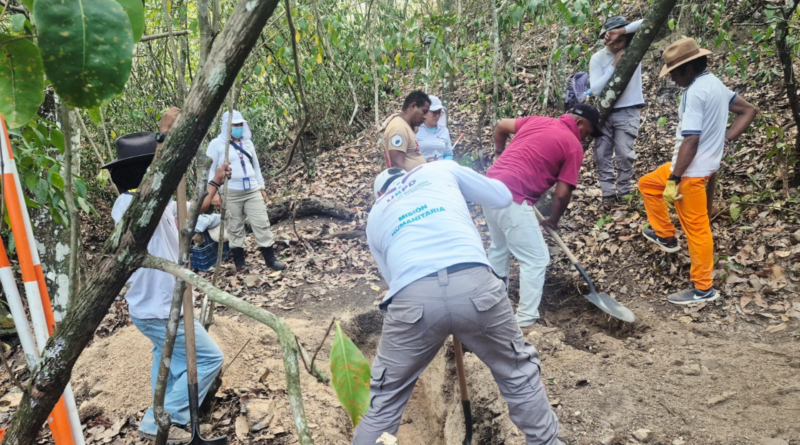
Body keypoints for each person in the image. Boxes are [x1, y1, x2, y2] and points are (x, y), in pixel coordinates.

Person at [355, 161, 563, 445]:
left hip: (414, 300)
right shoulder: (438, 169)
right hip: (476, 287)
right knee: (517, 371)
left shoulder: (376, 214)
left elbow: (394, 280)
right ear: (407, 176)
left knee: (385, 397)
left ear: (381, 194)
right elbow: (502, 196)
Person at [102, 107, 231, 444]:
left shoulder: (159, 205)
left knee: (167, 360)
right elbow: (151, 197)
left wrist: (215, 181)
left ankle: (164, 419)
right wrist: (164, 139)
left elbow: (194, 208)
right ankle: (156, 421)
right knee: (210, 359)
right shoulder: (128, 206)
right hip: (157, 308)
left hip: (160, 305)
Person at [639, 38, 756, 305]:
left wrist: (675, 179)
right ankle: (666, 235)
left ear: (689, 68)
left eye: (675, 73)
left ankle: (704, 288)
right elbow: (748, 110)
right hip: (700, 164)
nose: (673, 79)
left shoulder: (694, 93)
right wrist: (724, 140)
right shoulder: (715, 84)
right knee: (647, 184)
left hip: (690, 171)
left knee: (697, 230)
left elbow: (691, 139)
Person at [484, 104, 602, 330]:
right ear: (578, 123)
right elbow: (562, 193)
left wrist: (499, 155)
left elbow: (500, 126)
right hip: (512, 197)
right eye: (589, 131)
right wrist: (554, 220)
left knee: (500, 248)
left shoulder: (537, 121)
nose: (587, 137)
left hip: (489, 187)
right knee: (536, 258)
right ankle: (525, 320)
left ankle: (492, 304)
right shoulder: (573, 145)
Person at [206, 110, 285, 272]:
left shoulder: (247, 143)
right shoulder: (217, 144)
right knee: (234, 226)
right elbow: (210, 169)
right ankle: (240, 263)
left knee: (261, 223)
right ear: (226, 126)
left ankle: (270, 260)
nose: (238, 128)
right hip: (231, 192)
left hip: (251, 189)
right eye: (235, 125)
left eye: (240, 124)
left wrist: (261, 187)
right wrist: (214, 194)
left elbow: (255, 167)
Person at [590, 16, 646, 206]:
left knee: (624, 153)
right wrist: (615, 64)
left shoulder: (635, 51)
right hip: (604, 111)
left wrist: (622, 31)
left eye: (620, 40)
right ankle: (607, 194)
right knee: (601, 153)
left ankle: (624, 193)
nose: (615, 45)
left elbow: (650, 22)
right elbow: (596, 89)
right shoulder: (598, 57)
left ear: (627, 37)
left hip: (628, 110)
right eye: (611, 41)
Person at [380, 91, 430, 170]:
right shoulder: (399, 128)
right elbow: (397, 165)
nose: (425, 117)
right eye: (424, 112)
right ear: (413, 106)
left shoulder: (405, 126)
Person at [415, 95, 453, 161]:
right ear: (425, 112)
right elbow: (410, 155)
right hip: (421, 167)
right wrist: (424, 160)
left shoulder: (444, 131)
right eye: (434, 112)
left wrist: (442, 163)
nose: (437, 116)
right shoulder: (416, 130)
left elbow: (448, 154)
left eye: (439, 112)